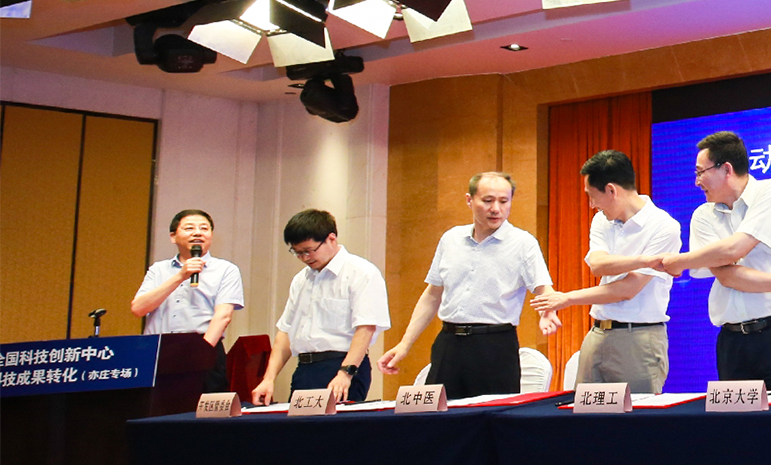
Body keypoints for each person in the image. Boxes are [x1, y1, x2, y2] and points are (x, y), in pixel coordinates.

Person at [650, 131, 771, 389]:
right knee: (736, 415)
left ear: (726, 169)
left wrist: (680, 261)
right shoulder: (703, 215)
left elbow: (734, 249)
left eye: (700, 172)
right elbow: (727, 275)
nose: (697, 182)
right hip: (732, 341)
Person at [378, 171, 562, 398]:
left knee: (490, 415)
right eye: (488, 200)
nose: (496, 208)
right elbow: (432, 294)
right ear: (469, 200)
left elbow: (544, 289)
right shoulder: (451, 239)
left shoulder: (523, 243)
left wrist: (548, 311)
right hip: (448, 343)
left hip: (495, 346)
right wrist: (405, 344)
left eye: (504, 201)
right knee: (438, 413)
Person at [529, 150, 680, 393]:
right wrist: (644, 260)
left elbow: (627, 289)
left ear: (611, 190)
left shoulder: (664, 227)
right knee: (585, 410)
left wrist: (567, 298)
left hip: (638, 338)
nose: (592, 205)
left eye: (592, 196)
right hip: (597, 333)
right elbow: (598, 264)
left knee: (637, 413)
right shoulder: (602, 220)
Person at [251, 209, 390, 405]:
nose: (304, 258)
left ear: (331, 239)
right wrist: (269, 379)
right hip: (305, 369)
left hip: (342, 366)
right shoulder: (301, 279)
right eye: (297, 252)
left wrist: (345, 373)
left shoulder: (361, 273)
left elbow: (365, 328)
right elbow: (286, 331)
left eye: (309, 250)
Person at [131, 209, 244, 393]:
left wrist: (202, 353)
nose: (198, 233)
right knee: (154, 408)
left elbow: (223, 316)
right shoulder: (158, 270)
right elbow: (138, 309)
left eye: (204, 228)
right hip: (157, 352)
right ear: (173, 237)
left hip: (204, 348)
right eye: (189, 228)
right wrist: (180, 276)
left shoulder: (226, 269)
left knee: (201, 409)